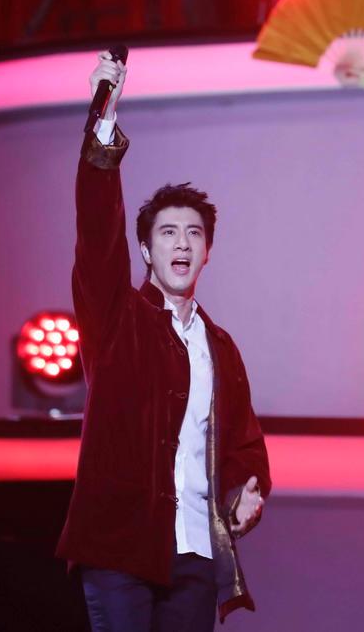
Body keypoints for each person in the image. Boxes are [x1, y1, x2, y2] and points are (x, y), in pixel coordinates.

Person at [55, 51, 271, 631]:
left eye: (193, 234)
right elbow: (96, 233)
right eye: (168, 232)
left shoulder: (219, 347)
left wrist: (246, 491)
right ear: (146, 251)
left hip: (195, 553)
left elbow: (244, 444)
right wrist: (103, 120)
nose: (181, 243)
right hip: (119, 549)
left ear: (207, 251)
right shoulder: (117, 318)